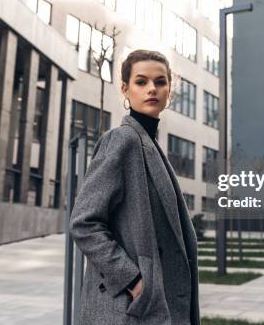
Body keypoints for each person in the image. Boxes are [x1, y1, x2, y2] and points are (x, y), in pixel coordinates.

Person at [69, 50, 200, 325]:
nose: (152, 88)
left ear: (169, 91)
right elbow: (84, 222)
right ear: (125, 89)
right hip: (129, 310)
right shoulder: (122, 141)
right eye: (141, 82)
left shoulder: (150, 146)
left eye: (160, 82)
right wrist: (134, 280)